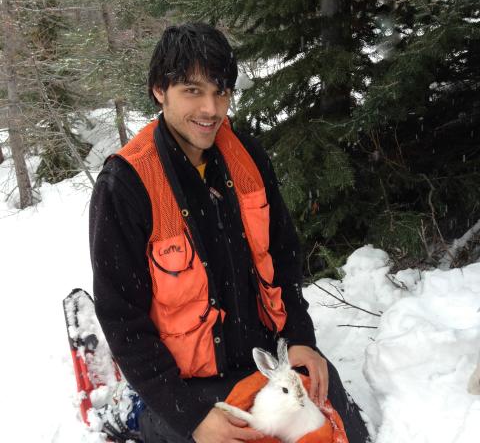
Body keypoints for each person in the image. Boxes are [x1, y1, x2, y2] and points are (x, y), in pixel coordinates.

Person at [90, 22, 369, 443]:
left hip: (266, 362)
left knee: (342, 434)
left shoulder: (247, 156)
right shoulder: (126, 184)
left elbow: (284, 257)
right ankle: (134, 410)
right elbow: (122, 319)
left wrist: (299, 339)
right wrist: (191, 417)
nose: (211, 109)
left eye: (221, 91)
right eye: (192, 90)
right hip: (186, 382)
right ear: (159, 91)